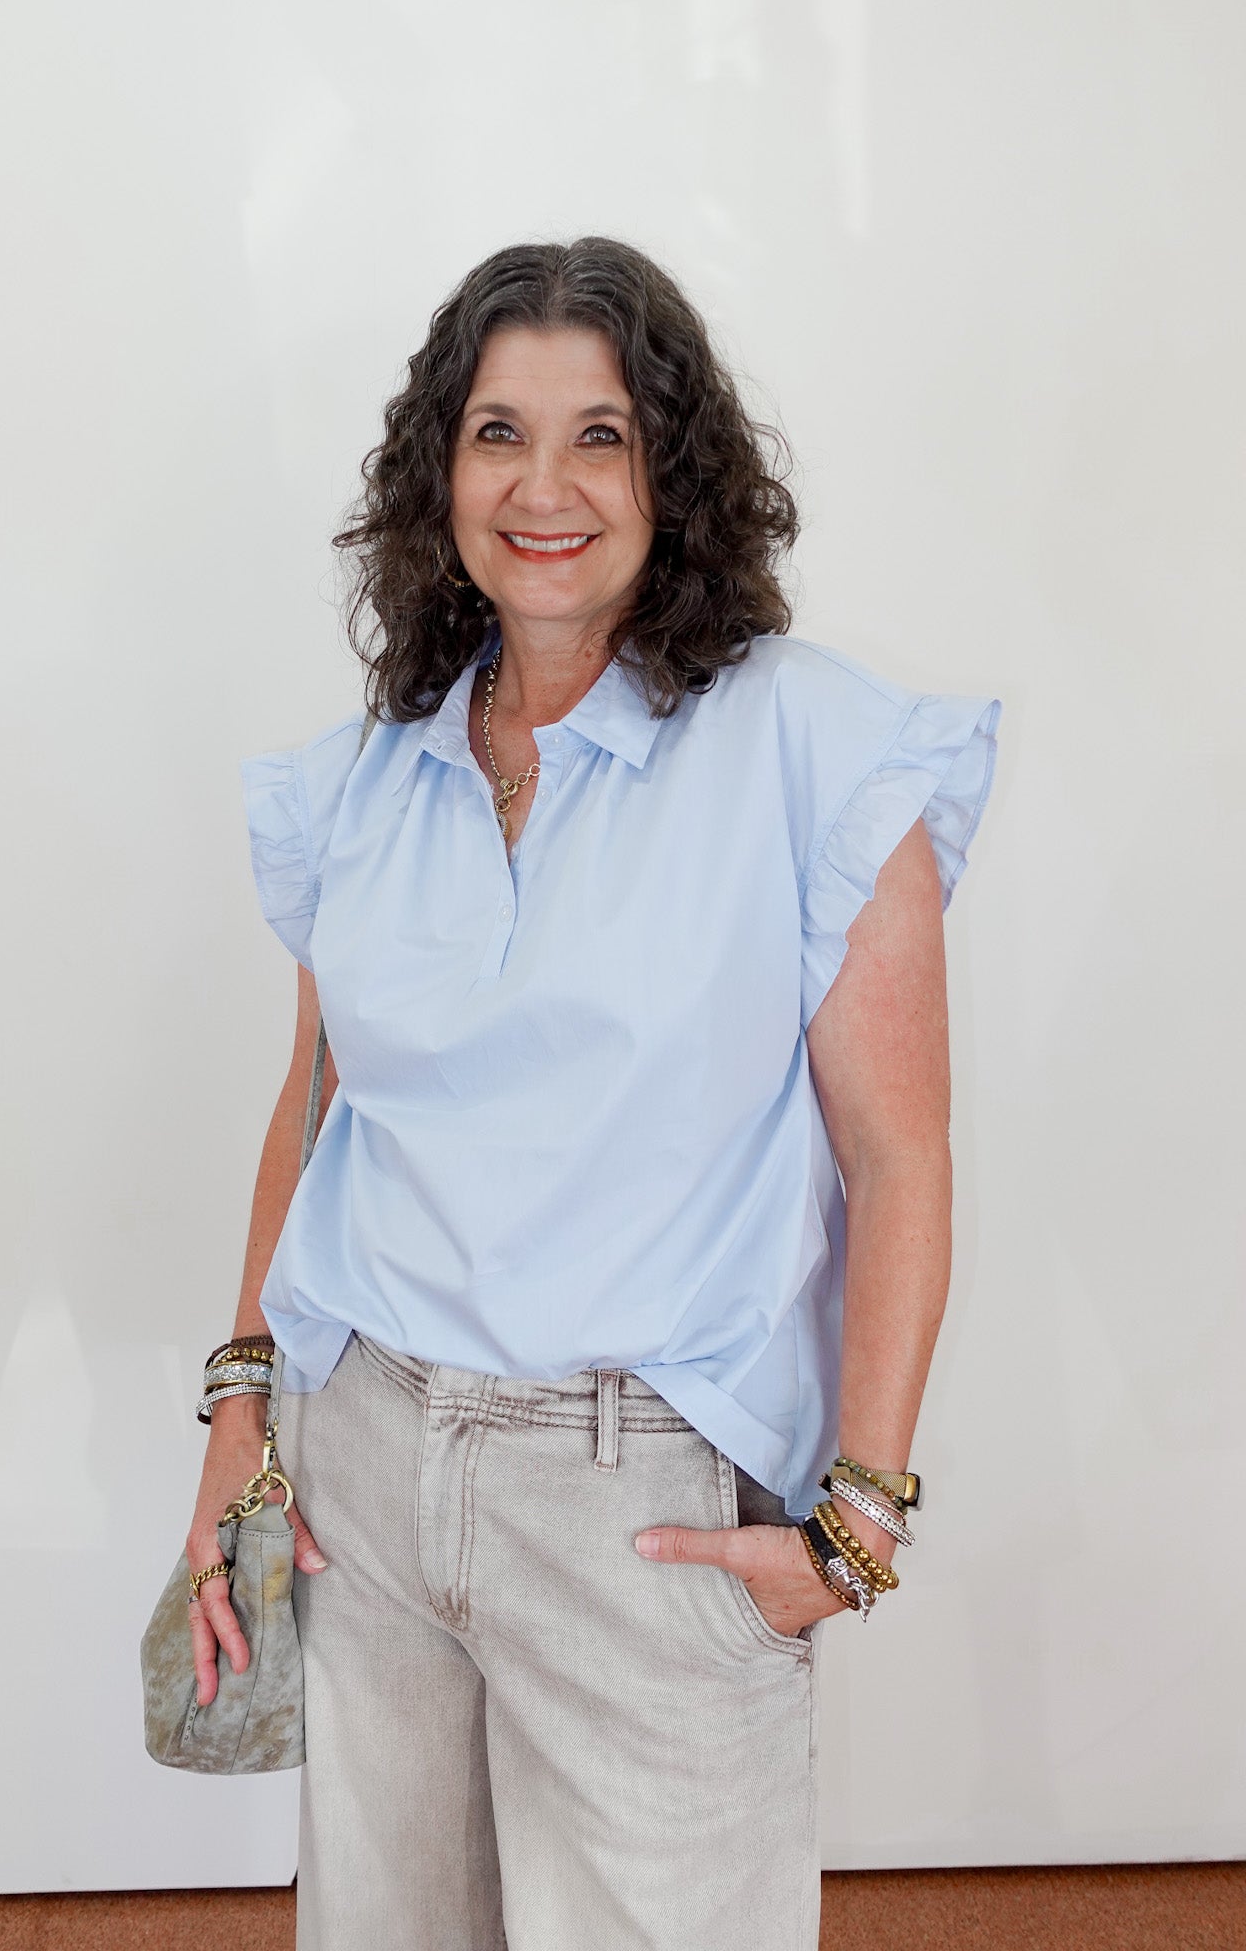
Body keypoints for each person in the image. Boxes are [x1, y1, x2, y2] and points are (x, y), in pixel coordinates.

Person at [185, 237, 1002, 1950]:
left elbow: (898, 1158)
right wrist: (244, 1423)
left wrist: (857, 1520)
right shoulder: (375, 771)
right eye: (497, 433)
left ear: (675, 473)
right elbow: (317, 1113)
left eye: (601, 436)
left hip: (644, 1496)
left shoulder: (811, 748)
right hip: (371, 1475)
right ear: (440, 472)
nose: (542, 487)